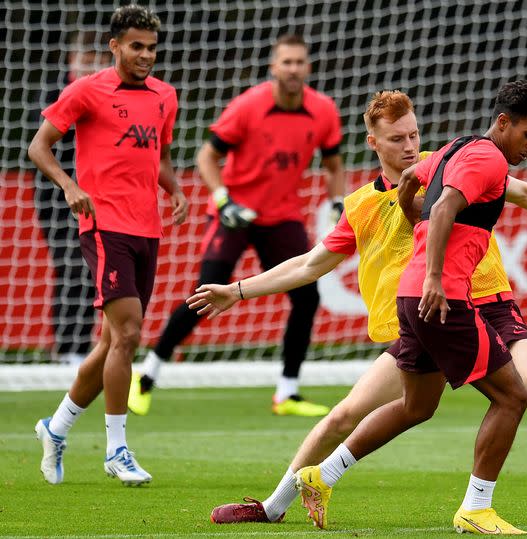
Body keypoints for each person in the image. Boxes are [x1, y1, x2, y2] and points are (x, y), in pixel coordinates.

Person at [190, 90, 527, 532]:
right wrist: (239, 289)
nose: (408, 146)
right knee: (350, 413)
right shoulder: (362, 206)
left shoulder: (448, 161)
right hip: (431, 313)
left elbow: (525, 193)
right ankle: (275, 505)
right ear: (373, 143)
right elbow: (310, 264)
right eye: (396, 139)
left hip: (488, 303)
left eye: (413, 135)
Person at [128, 33, 345, 418]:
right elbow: (206, 158)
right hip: (234, 215)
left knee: (307, 298)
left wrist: (336, 205)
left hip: (282, 217)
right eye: (287, 62)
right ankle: (145, 376)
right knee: (204, 294)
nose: (294, 69)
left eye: (300, 62)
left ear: (308, 68)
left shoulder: (324, 111)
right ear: (274, 68)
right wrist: (223, 199)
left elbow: (333, 166)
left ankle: (287, 393)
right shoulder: (248, 106)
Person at [27, 4, 188, 486]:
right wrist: (69, 186)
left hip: (147, 227)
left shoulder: (165, 96)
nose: (145, 56)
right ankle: (117, 448)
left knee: (111, 343)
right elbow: (39, 146)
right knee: (131, 333)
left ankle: (55, 429)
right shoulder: (86, 91)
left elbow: (154, 152)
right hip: (103, 224)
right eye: (136, 46)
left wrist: (174, 189)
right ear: (115, 45)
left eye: (151, 48)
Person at [30, 31, 111, 365]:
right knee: (69, 267)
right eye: (86, 59)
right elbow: (41, 146)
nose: (92, 66)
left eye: (98, 60)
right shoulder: (57, 94)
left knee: (92, 270)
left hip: (96, 197)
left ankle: (79, 347)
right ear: (72, 61)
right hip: (56, 197)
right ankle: (67, 349)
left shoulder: (108, 97)